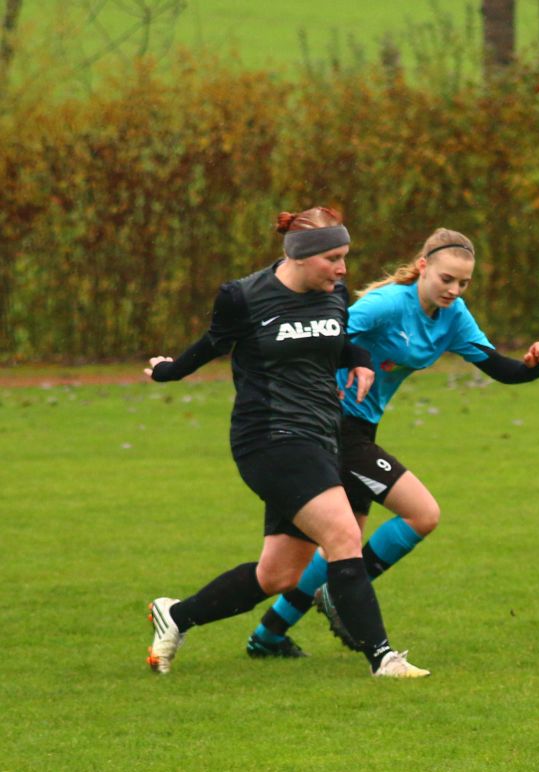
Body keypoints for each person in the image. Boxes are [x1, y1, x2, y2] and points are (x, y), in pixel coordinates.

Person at [144, 206, 428, 678]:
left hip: (321, 436)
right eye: (333, 258)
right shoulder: (243, 296)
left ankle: (175, 615)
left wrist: (359, 360)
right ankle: (384, 658)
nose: (342, 269)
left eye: (345, 257)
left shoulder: (332, 296)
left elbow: (334, 342)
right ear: (300, 255)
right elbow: (214, 343)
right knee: (343, 535)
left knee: (278, 575)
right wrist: (168, 371)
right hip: (268, 438)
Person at [244, 228, 539, 657]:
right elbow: (325, 334)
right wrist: (344, 370)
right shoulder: (388, 303)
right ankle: (339, 593)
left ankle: (268, 636)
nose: (454, 290)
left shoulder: (453, 316)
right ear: (423, 266)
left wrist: (534, 366)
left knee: (341, 546)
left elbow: (498, 367)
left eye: (463, 283)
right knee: (422, 514)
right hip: (332, 424)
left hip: (362, 427)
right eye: (446, 279)